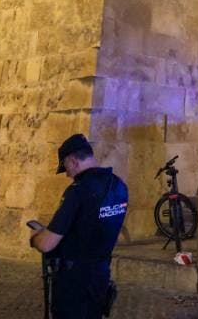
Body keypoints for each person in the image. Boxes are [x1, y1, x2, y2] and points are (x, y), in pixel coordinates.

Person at [30, 134, 128, 319]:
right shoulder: (118, 185)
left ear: (73, 161)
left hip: (74, 282)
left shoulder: (78, 191)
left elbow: (47, 244)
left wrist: (35, 236)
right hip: (100, 276)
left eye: (65, 167)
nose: (67, 174)